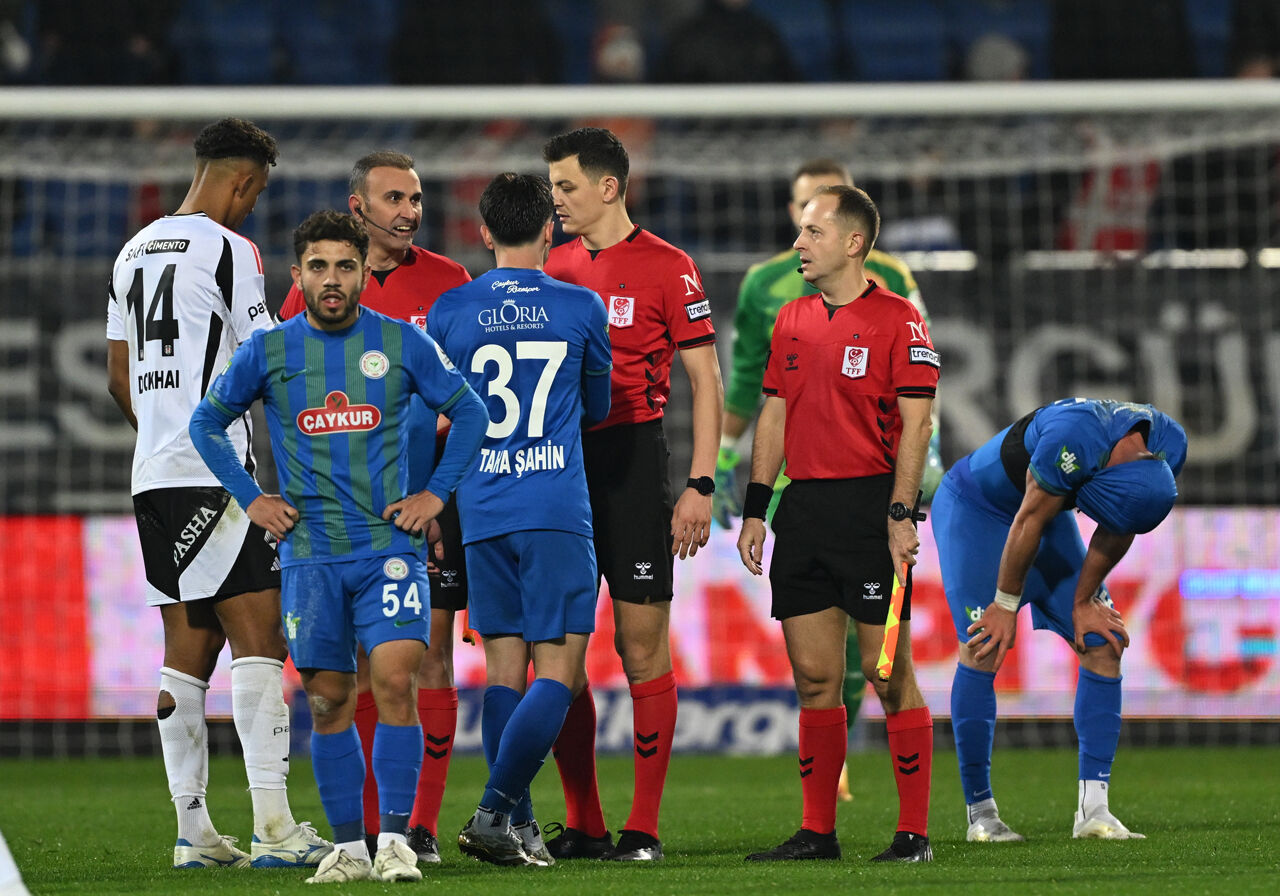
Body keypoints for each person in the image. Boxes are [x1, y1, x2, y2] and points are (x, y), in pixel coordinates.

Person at [189, 210, 488, 883]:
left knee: (392, 681)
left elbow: (471, 410)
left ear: (363, 272)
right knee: (327, 699)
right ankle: (350, 849)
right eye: (319, 267)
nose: (332, 279)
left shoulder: (403, 343)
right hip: (310, 555)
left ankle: (399, 841)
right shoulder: (269, 351)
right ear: (298, 276)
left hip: (389, 548)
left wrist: (436, 494)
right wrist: (252, 497)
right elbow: (207, 423)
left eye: (345, 267)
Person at [105, 117, 331, 872]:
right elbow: (268, 363)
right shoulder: (231, 251)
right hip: (214, 478)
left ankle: (194, 833)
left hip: (152, 478)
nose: (252, 206)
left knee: (185, 658)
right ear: (242, 180)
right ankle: (274, 827)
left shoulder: (132, 250)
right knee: (264, 641)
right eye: (256, 192)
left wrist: (167, 431)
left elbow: (119, 377)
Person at [715, 158, 944, 802]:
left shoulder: (899, 318)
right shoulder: (789, 319)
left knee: (885, 673)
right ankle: (817, 832)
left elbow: (918, 425)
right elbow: (774, 413)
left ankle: (913, 831)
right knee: (814, 680)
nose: (798, 242)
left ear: (851, 242)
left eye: (812, 231)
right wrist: (757, 506)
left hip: (870, 509)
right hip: (803, 510)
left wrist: (902, 514)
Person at [278, 150, 472, 865]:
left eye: (417, 198)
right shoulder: (310, 294)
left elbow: (466, 397)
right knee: (346, 677)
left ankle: (416, 826)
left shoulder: (451, 285)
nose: (410, 211)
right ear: (357, 208)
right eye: (395, 197)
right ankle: (358, 834)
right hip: (338, 521)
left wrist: (438, 490)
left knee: (425, 664)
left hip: (425, 506)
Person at [541, 126, 724, 862]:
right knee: (559, 650)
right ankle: (584, 822)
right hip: (558, 466)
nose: (555, 200)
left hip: (633, 463)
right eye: (553, 187)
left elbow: (704, 380)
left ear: (608, 188)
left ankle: (642, 828)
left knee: (640, 646)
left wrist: (700, 485)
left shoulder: (668, 267)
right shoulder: (551, 265)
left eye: (566, 187)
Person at [427, 172, 613, 866]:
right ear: (549, 230)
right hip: (554, 507)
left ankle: (520, 831)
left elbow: (436, 416)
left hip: (482, 509)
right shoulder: (581, 307)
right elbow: (598, 409)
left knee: (504, 670)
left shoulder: (450, 311)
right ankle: (492, 812)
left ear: (482, 233)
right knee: (558, 675)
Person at [932, 398, 1185, 842]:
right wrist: (1005, 604)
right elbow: (1028, 518)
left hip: (1044, 518)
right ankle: (982, 814)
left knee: (1104, 642)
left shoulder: (1169, 447)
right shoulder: (1074, 435)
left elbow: (1120, 523)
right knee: (984, 646)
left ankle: (1095, 812)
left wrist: (1085, 600)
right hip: (979, 510)